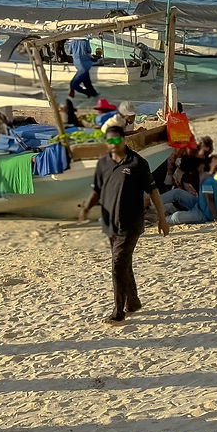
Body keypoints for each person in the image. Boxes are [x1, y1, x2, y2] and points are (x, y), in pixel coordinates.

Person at [78, 125, 169, 324]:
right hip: (111, 223)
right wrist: (86, 208)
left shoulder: (138, 163)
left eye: (116, 140)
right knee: (123, 264)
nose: (113, 144)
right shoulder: (104, 163)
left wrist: (162, 218)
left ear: (123, 140)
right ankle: (133, 303)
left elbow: (153, 191)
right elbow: (97, 189)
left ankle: (118, 312)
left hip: (131, 223)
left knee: (117, 265)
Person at [162, 156, 217, 224]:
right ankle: (156, 202)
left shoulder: (207, 181)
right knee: (177, 192)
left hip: (204, 214)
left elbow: (209, 200)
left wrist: (215, 218)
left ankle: (163, 220)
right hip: (200, 204)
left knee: (176, 216)